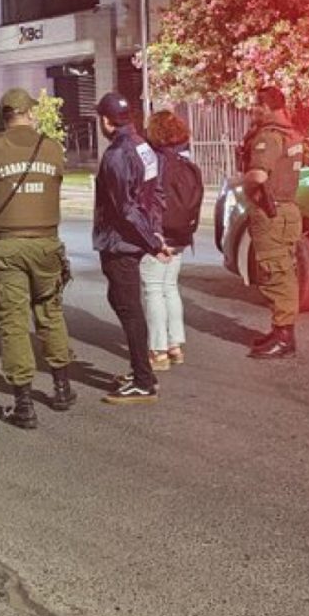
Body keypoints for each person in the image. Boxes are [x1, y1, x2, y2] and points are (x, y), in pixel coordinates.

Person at [0, 87, 74, 429]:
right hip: (46, 244)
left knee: (13, 324)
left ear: (5, 115)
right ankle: (61, 387)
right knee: (50, 313)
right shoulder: (53, 147)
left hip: (8, 247)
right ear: (31, 113)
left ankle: (24, 404)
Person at [93, 92, 172, 404]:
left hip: (120, 243)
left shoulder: (116, 156)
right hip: (134, 239)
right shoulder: (144, 147)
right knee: (122, 301)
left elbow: (126, 209)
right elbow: (155, 194)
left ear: (105, 121)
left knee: (128, 307)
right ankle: (141, 370)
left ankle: (143, 380)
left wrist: (153, 242)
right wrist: (154, 232)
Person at [232, 87, 303, 358]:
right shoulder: (291, 133)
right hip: (286, 211)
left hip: (271, 213)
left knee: (276, 274)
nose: (253, 111)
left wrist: (241, 180)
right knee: (283, 271)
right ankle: (280, 330)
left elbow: (259, 175)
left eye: (255, 106)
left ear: (266, 106)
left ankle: (284, 338)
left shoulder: (271, 136)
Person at [140, 110, 201, 370]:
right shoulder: (187, 163)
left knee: (153, 288)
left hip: (159, 234)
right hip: (181, 235)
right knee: (170, 288)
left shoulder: (155, 163)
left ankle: (158, 350)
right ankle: (176, 345)